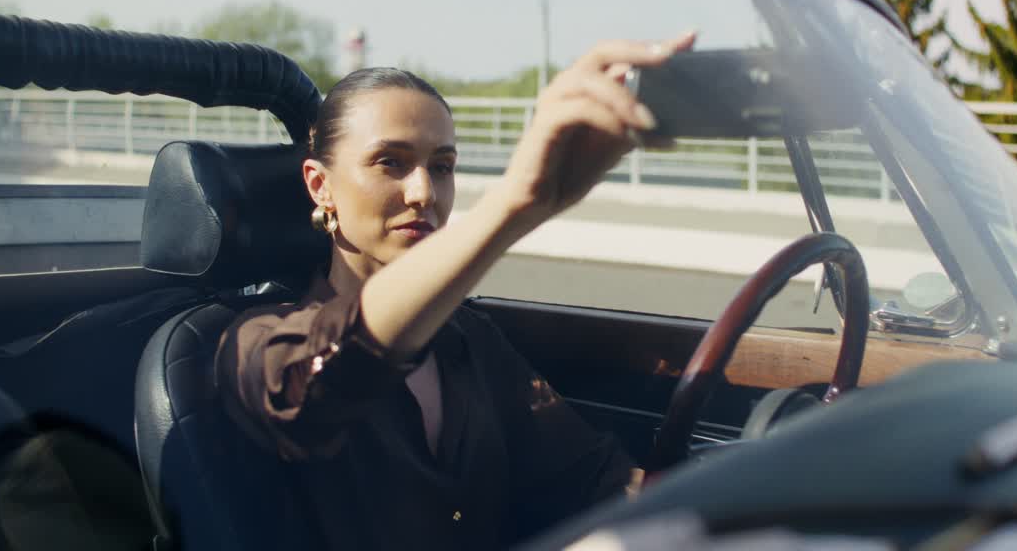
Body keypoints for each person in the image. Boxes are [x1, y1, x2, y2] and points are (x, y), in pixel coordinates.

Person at [215, 32, 697, 550]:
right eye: (390, 161)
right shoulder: (254, 342)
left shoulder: (470, 340)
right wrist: (514, 205)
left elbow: (590, 476)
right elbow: (314, 385)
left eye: (441, 166)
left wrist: (723, 506)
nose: (423, 192)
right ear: (320, 185)